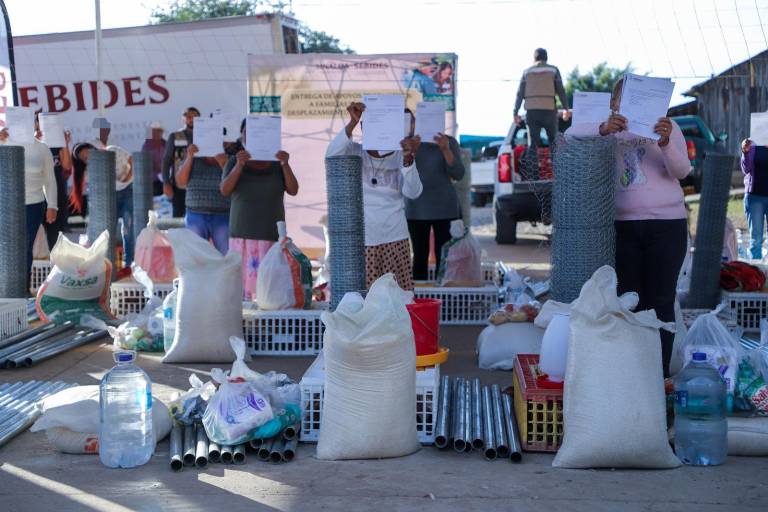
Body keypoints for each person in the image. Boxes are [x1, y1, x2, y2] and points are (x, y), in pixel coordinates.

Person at [567, 77, 691, 377]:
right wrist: (602, 129)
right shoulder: (609, 129)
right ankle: (631, 375)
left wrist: (663, 144)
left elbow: (682, 171)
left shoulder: (668, 128)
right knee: (628, 300)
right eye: (626, 97)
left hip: (667, 225)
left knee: (660, 300)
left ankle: (657, 376)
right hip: (624, 226)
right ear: (615, 103)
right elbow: (570, 136)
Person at [325, 102, 423, 291]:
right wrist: (351, 123)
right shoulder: (354, 151)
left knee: (396, 300)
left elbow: (414, 192)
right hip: (362, 239)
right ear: (364, 127)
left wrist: (408, 160)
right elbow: (331, 155)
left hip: (395, 237)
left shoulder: (400, 156)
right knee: (366, 300)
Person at [220, 118, 299, 300]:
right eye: (248, 132)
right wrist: (240, 165)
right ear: (243, 136)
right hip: (242, 237)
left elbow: (293, 190)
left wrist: (285, 164)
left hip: (272, 237)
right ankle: (247, 325)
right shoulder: (234, 161)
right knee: (242, 291)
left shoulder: (278, 163)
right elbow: (225, 190)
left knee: (270, 289)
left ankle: (267, 325)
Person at [405, 121, 465, 281]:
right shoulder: (408, 144)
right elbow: (400, 173)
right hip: (416, 208)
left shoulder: (449, 142)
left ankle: (444, 300)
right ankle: (420, 301)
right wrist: (412, 151)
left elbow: (458, 174)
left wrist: (445, 149)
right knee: (419, 256)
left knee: (445, 257)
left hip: (445, 208)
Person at [0, 127, 58, 288]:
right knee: (4, 245)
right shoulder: (2, 142)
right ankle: (4, 286)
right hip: (5, 204)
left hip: (33, 205)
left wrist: (52, 205)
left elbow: (50, 180)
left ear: (35, 126)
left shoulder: (42, 148)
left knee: (25, 246)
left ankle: (22, 287)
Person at [92, 118, 134, 269]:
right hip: (111, 195)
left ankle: (129, 264)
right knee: (109, 229)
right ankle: (110, 265)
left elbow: (132, 160)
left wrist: (126, 178)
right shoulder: (94, 163)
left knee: (128, 229)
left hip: (128, 190)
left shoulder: (114, 150)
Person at [175, 139, 230, 254]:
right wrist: (190, 156)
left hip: (222, 215)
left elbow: (233, 186)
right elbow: (181, 182)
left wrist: (224, 164)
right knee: (196, 257)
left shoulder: (229, 157)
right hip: (195, 215)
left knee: (225, 256)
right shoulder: (192, 156)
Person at [513, 48, 570, 148]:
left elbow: (520, 94)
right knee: (554, 143)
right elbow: (561, 91)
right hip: (549, 111)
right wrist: (566, 109)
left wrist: (515, 112)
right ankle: (555, 163)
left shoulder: (527, 72)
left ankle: (532, 163)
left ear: (534, 58)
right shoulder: (553, 70)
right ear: (546, 58)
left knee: (533, 145)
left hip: (532, 112)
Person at [33, 115, 73, 250]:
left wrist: (65, 143)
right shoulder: (31, 143)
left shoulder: (57, 144)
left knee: (54, 234)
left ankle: (54, 265)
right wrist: (34, 141)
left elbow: (67, 166)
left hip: (57, 193)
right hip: (36, 194)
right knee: (33, 233)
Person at [162, 107, 200, 218]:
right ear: (183, 119)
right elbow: (166, 160)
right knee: (178, 219)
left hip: (199, 185)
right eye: (188, 117)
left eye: (194, 117)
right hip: (179, 186)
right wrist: (166, 183)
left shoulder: (205, 136)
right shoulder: (175, 136)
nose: (191, 119)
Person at [740, 138, 768, 259]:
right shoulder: (752, 143)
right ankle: (757, 273)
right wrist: (745, 152)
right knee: (756, 239)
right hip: (754, 197)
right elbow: (746, 169)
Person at [141, 121, 166, 196]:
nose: (157, 133)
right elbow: (144, 162)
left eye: (159, 131)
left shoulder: (165, 143)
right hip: (153, 181)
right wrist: (157, 166)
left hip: (166, 179)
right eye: (154, 131)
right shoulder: (146, 146)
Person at [69, 142, 95, 217]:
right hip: (97, 202)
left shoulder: (107, 157)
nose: (87, 157)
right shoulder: (85, 173)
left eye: (87, 152)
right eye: (83, 157)